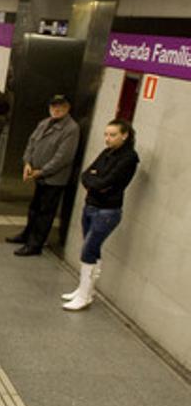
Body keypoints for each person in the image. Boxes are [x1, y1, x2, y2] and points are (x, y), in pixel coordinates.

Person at [62, 119, 139, 311]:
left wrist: (96, 181)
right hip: (91, 206)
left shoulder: (129, 158)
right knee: (91, 249)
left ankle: (84, 294)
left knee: (88, 250)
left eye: (112, 135)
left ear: (125, 135)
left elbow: (106, 182)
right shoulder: (107, 152)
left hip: (107, 211)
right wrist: (95, 180)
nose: (108, 138)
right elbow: (87, 175)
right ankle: (85, 290)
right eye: (106, 134)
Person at [7, 95, 80, 256]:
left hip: (54, 179)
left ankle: (35, 244)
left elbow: (63, 157)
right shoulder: (44, 123)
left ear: (67, 108)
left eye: (60, 107)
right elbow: (31, 143)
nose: (56, 110)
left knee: (45, 213)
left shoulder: (71, 129)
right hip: (37, 174)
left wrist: (43, 171)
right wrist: (27, 163)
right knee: (34, 208)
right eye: (54, 106)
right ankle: (27, 234)